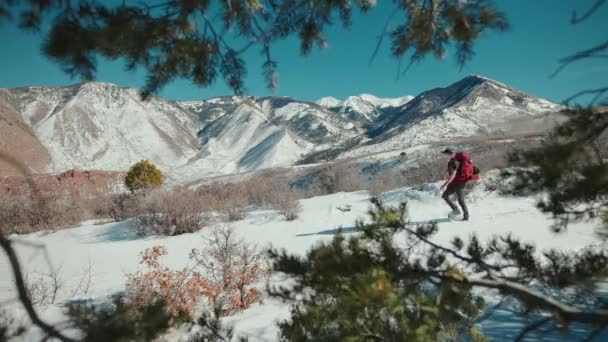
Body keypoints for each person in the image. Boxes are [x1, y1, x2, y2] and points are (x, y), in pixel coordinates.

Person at [439, 148, 472, 221]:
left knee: (461, 200)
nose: (444, 156)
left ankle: (466, 216)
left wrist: (445, 184)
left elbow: (453, 174)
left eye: (445, 154)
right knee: (445, 196)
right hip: (455, 182)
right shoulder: (454, 161)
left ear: (448, 154)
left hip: (459, 183)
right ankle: (456, 210)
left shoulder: (453, 162)